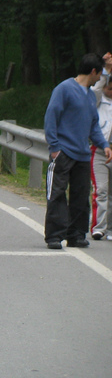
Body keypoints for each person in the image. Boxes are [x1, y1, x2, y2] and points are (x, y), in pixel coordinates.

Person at [44, 53, 112, 249]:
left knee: (81, 196)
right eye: (99, 74)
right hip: (63, 152)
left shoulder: (91, 95)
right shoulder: (64, 89)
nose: (100, 78)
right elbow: (51, 117)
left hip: (83, 154)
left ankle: (76, 235)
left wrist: (104, 145)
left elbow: (93, 126)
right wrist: (54, 147)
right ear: (93, 71)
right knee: (57, 194)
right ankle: (55, 236)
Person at [89, 53, 112, 240]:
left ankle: (110, 228)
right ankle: (98, 227)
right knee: (101, 190)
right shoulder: (97, 99)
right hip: (100, 151)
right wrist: (105, 70)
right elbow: (95, 87)